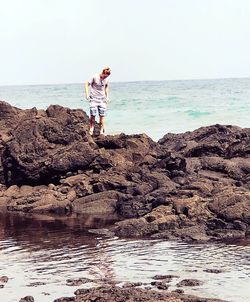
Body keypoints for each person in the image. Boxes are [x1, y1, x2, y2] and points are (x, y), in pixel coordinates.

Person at [84, 67, 111, 135]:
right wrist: (87, 95)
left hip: (102, 100)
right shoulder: (95, 77)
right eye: (104, 76)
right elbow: (87, 84)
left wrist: (107, 96)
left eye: (107, 77)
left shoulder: (107, 79)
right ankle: (91, 129)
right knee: (93, 115)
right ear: (103, 73)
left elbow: (107, 86)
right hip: (93, 99)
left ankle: (101, 131)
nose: (105, 78)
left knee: (102, 116)